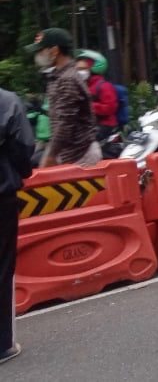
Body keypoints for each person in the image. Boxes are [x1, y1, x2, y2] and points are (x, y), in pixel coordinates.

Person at [25, 28, 101, 167]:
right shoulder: (58, 76)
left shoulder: (67, 79)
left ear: (54, 51)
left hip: (79, 156)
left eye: (40, 50)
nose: (38, 55)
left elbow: (65, 123)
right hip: (70, 155)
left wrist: (50, 155)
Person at [0, 87, 34, 365]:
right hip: (1, 196)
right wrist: (20, 172)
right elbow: (23, 147)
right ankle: (2, 344)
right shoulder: (7, 101)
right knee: (2, 268)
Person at [74, 50, 119, 141]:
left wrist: (87, 106)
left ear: (92, 69)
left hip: (104, 126)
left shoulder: (104, 86)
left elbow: (110, 108)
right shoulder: (83, 87)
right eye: (77, 69)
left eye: (82, 69)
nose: (79, 72)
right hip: (89, 126)